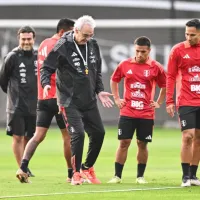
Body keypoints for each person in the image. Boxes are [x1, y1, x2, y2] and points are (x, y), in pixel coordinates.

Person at [41, 15, 113, 185]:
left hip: (88, 99)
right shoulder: (62, 46)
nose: (88, 39)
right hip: (68, 100)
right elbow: (46, 68)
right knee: (78, 134)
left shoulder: (93, 45)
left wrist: (100, 90)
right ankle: (75, 173)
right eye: (85, 35)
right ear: (75, 30)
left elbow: (96, 71)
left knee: (99, 133)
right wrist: (45, 84)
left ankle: (87, 167)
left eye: (91, 35)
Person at [15, 18, 75, 184]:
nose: (74, 36)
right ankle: (71, 175)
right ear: (63, 32)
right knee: (68, 137)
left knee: (38, 135)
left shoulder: (42, 44)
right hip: (59, 98)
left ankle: (23, 167)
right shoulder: (62, 46)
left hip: (43, 98)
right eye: (72, 32)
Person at [108, 36, 166, 184]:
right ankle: (117, 176)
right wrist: (117, 98)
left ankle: (140, 176)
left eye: (143, 52)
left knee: (142, 143)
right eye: (137, 51)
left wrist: (158, 102)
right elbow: (114, 80)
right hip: (128, 111)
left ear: (149, 51)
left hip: (146, 113)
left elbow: (165, 85)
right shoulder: (125, 64)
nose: (140, 54)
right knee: (124, 142)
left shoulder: (155, 67)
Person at [166, 19, 200, 187]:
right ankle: (185, 176)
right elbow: (170, 76)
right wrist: (169, 101)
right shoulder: (178, 50)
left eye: (192, 34)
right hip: (186, 100)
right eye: (186, 34)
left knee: (199, 138)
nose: (188, 37)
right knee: (188, 136)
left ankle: (194, 175)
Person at [0, 26, 37, 177]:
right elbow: (3, 80)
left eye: (29, 39)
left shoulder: (38, 56)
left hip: (35, 105)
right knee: (18, 136)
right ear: (19, 39)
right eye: (23, 39)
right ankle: (22, 169)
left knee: (31, 137)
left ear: (33, 39)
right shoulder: (12, 56)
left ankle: (25, 164)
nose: (26, 42)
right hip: (16, 106)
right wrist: (14, 95)